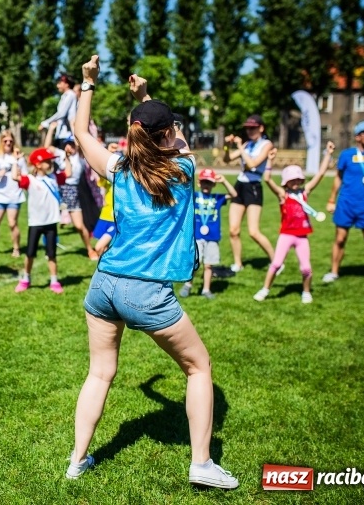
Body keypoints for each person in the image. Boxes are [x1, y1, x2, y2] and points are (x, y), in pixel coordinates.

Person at [66, 56, 238, 489]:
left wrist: (88, 84)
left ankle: (77, 460)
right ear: (168, 133)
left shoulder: (118, 168)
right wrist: (144, 97)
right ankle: (201, 463)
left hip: (104, 284)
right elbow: (173, 138)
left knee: (100, 373)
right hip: (147, 292)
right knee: (199, 368)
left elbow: (80, 132)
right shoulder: (184, 169)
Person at [254, 143, 334, 303]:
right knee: (276, 264)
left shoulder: (305, 193)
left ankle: (306, 292)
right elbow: (267, 179)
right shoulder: (283, 195)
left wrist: (328, 154)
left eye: (298, 179)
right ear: (286, 182)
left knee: (306, 268)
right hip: (286, 235)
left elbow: (320, 174)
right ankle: (265, 289)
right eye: (292, 180)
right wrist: (269, 161)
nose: (296, 182)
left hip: (302, 237)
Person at [323, 120, 364, 284]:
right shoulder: (346, 155)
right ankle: (334, 272)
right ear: (358, 137)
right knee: (339, 239)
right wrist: (332, 199)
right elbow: (338, 177)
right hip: (345, 203)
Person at [223, 115, 276, 273]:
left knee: (253, 231)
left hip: (254, 186)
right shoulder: (247, 144)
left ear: (261, 128)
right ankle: (238, 263)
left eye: (253, 127)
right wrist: (226, 145)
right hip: (240, 185)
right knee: (233, 230)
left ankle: (276, 261)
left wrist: (240, 148)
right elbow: (227, 160)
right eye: (247, 128)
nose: (249, 130)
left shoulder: (266, 144)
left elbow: (253, 164)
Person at [11, 147, 66, 294]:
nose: (50, 163)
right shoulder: (30, 179)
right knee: (30, 253)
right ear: (38, 164)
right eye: (48, 161)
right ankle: (25, 279)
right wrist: (16, 161)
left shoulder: (53, 178)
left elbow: (69, 174)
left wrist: (67, 157)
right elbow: (14, 177)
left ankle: (54, 281)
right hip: (35, 223)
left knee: (52, 253)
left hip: (51, 223)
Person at [180, 168, 238, 299]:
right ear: (199, 183)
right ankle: (188, 285)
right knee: (194, 264)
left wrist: (224, 181)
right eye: (204, 182)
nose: (207, 185)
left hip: (212, 237)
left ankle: (206, 289)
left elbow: (234, 195)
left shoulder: (217, 198)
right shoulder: (194, 196)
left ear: (214, 184)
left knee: (208, 265)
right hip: (197, 237)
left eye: (209, 182)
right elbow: (182, 192)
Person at [59, 136, 98, 260]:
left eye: (71, 144)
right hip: (61, 191)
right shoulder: (61, 157)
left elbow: (82, 146)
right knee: (51, 221)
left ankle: (89, 249)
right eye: (67, 144)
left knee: (79, 226)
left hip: (73, 191)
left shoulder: (79, 158)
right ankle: (49, 250)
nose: (69, 147)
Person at [91, 143, 119, 257]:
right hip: (105, 214)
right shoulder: (109, 178)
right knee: (104, 249)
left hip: (115, 218)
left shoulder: (124, 179)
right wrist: (109, 153)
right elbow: (102, 172)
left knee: (98, 247)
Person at [39, 74, 78, 147]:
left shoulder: (70, 95)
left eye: (60, 83)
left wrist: (45, 123)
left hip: (67, 135)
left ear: (67, 84)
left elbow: (62, 113)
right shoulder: (64, 96)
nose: (57, 86)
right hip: (60, 134)